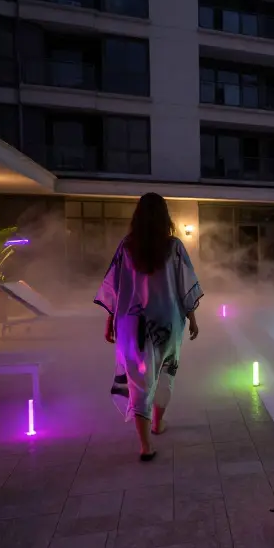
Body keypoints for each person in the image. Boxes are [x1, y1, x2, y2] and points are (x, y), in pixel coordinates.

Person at [95, 193, 203, 461]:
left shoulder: (127, 247)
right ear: (164, 216)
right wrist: (192, 317)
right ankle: (157, 423)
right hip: (166, 322)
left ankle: (145, 445)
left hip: (131, 324)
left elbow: (115, 288)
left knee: (138, 379)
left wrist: (110, 320)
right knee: (166, 370)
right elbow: (184, 285)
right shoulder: (174, 247)